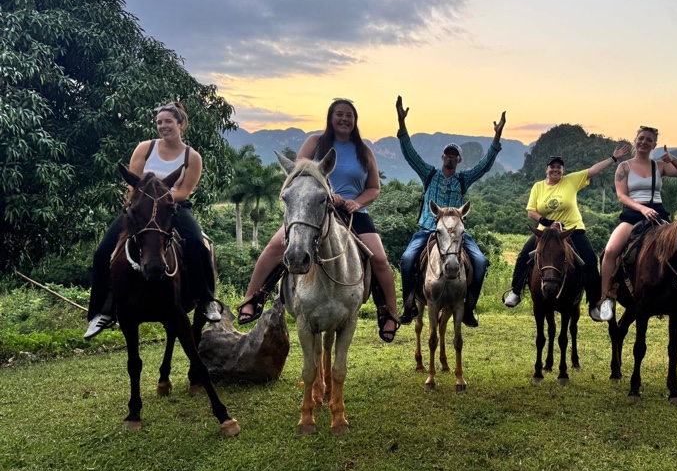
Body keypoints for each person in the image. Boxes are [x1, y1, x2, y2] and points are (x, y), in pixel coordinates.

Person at [237, 98, 401, 342]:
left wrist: (357, 202)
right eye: (339, 114)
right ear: (330, 118)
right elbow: (298, 173)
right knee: (275, 247)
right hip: (313, 207)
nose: (344, 119)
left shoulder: (363, 150)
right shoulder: (315, 142)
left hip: (353, 213)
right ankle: (253, 297)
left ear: (355, 121)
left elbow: (374, 188)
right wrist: (326, 192)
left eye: (349, 115)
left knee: (379, 258)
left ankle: (389, 312)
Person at [85, 100, 221, 338]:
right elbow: (132, 183)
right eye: (159, 122)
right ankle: (101, 311)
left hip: (173, 207)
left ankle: (206, 300)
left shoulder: (192, 157)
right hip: (140, 208)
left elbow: (184, 191)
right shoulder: (145, 148)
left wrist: (160, 201)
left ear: (181, 124)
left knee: (197, 244)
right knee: (104, 251)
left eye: (168, 121)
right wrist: (144, 203)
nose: (163, 126)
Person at [396, 96, 506, 328]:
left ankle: (468, 307)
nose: (450, 157)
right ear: (442, 157)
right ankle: (408, 305)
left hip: (455, 235)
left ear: (458, 159)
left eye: (454, 155)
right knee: (407, 259)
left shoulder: (463, 180)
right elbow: (410, 154)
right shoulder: (429, 174)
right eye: (447, 154)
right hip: (429, 229)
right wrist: (402, 123)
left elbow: (484, 165)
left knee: (481, 261)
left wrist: (496, 137)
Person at [503, 144, 631, 321]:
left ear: (562, 170)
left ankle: (594, 303)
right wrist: (547, 222)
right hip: (545, 233)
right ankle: (516, 291)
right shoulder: (538, 187)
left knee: (589, 260)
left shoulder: (570, 180)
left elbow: (593, 170)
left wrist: (613, 158)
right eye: (552, 167)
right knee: (524, 256)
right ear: (546, 169)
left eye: (559, 167)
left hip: (572, 230)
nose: (555, 169)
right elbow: (531, 211)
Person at [597, 126, 677, 323]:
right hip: (632, 215)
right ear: (635, 141)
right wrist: (641, 209)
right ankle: (606, 298)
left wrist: (671, 158)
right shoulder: (624, 167)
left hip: (658, 215)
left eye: (649, 140)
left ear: (654, 144)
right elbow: (622, 195)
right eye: (641, 138)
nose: (644, 142)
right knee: (611, 250)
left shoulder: (659, 166)